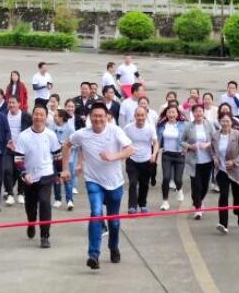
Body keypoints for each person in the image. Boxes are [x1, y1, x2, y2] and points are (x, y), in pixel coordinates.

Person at [61, 103, 134, 270]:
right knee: (96, 213)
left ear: (107, 117)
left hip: (115, 183)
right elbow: (66, 145)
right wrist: (65, 169)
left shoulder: (115, 131)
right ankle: (93, 255)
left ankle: (113, 247)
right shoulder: (82, 134)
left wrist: (113, 156)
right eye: (94, 116)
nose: (98, 119)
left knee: (114, 222)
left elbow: (130, 149)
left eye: (101, 116)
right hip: (93, 181)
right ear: (90, 117)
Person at [14, 105, 62, 248]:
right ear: (32, 115)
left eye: (42, 114)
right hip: (29, 177)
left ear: (46, 117)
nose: (38, 117)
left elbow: (57, 156)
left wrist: (59, 173)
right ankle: (31, 222)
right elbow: (18, 159)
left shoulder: (51, 135)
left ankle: (45, 235)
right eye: (36, 114)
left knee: (45, 202)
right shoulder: (24, 136)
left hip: (46, 175)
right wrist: (24, 173)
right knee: (31, 206)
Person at [211, 111, 239, 233]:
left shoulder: (237, 134)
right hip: (222, 170)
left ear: (231, 122)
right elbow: (212, 149)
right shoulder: (215, 135)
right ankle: (223, 223)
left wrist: (235, 161)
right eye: (223, 121)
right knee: (223, 196)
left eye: (227, 121)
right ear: (219, 122)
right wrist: (215, 158)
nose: (225, 123)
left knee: (237, 196)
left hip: (236, 170)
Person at [182, 104, 215, 219]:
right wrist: (190, 146)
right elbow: (181, 141)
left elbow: (215, 138)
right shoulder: (189, 126)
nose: (198, 114)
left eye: (200, 111)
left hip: (207, 160)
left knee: (205, 186)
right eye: (196, 112)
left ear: (203, 112)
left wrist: (207, 144)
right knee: (196, 185)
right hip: (193, 161)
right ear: (193, 113)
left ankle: (198, 201)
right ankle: (198, 208)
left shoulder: (209, 125)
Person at [124, 106, 158, 214]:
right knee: (133, 183)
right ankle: (132, 206)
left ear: (146, 116)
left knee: (144, 184)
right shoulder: (128, 128)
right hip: (132, 159)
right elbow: (123, 142)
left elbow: (155, 143)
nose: (140, 118)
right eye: (138, 115)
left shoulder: (150, 128)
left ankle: (142, 204)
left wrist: (154, 154)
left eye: (142, 115)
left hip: (146, 160)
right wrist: (124, 154)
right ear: (134, 116)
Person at [157, 105, 186, 210]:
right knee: (166, 178)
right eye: (169, 112)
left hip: (179, 155)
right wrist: (155, 152)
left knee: (178, 179)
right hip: (167, 155)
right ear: (166, 114)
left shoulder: (183, 125)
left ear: (177, 114)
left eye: (173, 112)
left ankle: (179, 189)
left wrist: (186, 147)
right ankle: (165, 201)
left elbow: (188, 138)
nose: (171, 114)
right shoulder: (162, 125)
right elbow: (157, 140)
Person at [4, 95, 31, 205]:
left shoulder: (26, 116)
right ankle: (10, 194)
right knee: (7, 170)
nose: (11, 105)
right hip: (8, 149)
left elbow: (31, 131)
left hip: (21, 149)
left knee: (20, 171)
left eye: (13, 102)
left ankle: (20, 193)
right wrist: (8, 141)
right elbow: (1, 131)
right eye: (9, 102)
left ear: (19, 104)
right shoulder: (4, 115)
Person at [50, 109, 76, 210]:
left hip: (67, 158)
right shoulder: (52, 127)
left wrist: (64, 145)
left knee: (67, 179)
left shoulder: (70, 128)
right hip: (55, 157)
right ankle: (58, 199)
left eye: (56, 116)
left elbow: (75, 144)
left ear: (61, 117)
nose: (54, 117)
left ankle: (69, 200)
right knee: (56, 178)